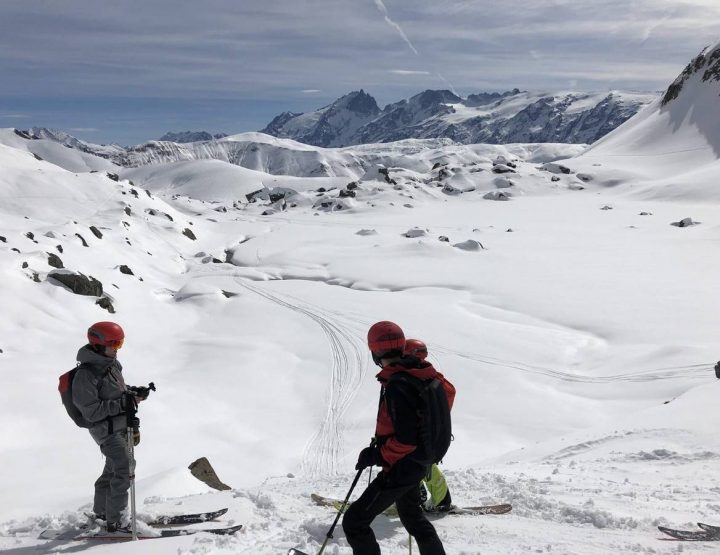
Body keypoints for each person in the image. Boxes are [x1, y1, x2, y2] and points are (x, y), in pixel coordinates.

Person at [342, 321, 452, 555]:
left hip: (404, 467)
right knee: (412, 518)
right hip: (420, 462)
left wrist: (376, 454)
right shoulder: (421, 373)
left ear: (374, 352)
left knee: (354, 522)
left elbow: (406, 440)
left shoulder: (399, 385)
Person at [72, 322, 149, 533]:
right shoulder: (85, 375)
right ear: (98, 344)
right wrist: (122, 404)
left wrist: (133, 393)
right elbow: (91, 412)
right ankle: (116, 520)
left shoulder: (111, 364)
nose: (117, 348)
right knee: (125, 467)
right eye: (114, 343)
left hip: (119, 425)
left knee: (112, 470)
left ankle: (103, 512)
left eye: (120, 343)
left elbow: (116, 392)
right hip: (104, 430)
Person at [404, 339, 455, 513]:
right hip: (433, 434)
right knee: (422, 465)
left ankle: (423, 498)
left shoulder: (417, 379)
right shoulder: (432, 376)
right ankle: (436, 498)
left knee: (413, 464)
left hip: (421, 434)